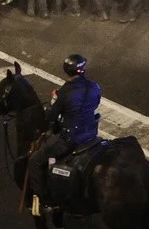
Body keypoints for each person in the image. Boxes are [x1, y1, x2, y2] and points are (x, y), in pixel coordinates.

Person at [27, 54, 103, 204]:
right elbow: (95, 104)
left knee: (34, 161)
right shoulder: (94, 86)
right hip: (90, 134)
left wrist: (53, 102)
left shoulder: (63, 92)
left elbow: (51, 116)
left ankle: (44, 201)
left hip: (70, 138)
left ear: (67, 71)